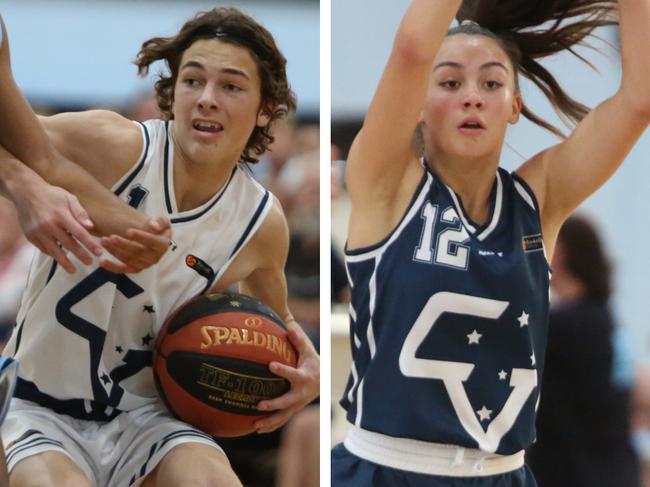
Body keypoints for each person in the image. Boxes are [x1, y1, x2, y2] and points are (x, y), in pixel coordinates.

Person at [331, 0, 649, 485]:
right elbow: (414, 46)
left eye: (492, 83)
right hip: (387, 468)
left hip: (505, 474)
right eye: (451, 82)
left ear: (515, 105)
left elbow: (639, 101)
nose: (472, 97)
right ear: (418, 100)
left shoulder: (539, 200)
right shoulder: (384, 182)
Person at [0, 7, 319, 487]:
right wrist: (28, 189)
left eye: (230, 86)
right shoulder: (115, 145)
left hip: (147, 419)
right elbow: (24, 148)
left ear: (264, 110)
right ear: (173, 94)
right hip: (38, 406)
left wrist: (306, 367)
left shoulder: (260, 222)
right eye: (193, 81)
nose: (207, 99)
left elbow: (279, 324)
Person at [527, 215, 640, 487]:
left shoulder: (565, 326)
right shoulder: (606, 320)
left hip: (576, 473)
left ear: (562, 254)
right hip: (616, 470)